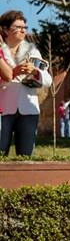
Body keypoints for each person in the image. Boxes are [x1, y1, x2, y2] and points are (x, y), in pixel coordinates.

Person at [0, 10, 52, 156]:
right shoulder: (0, 51)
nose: (23, 30)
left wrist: (36, 72)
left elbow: (48, 81)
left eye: (25, 27)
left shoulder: (33, 51)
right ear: (5, 29)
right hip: (3, 109)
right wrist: (11, 73)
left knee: (25, 156)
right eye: (18, 27)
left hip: (28, 108)